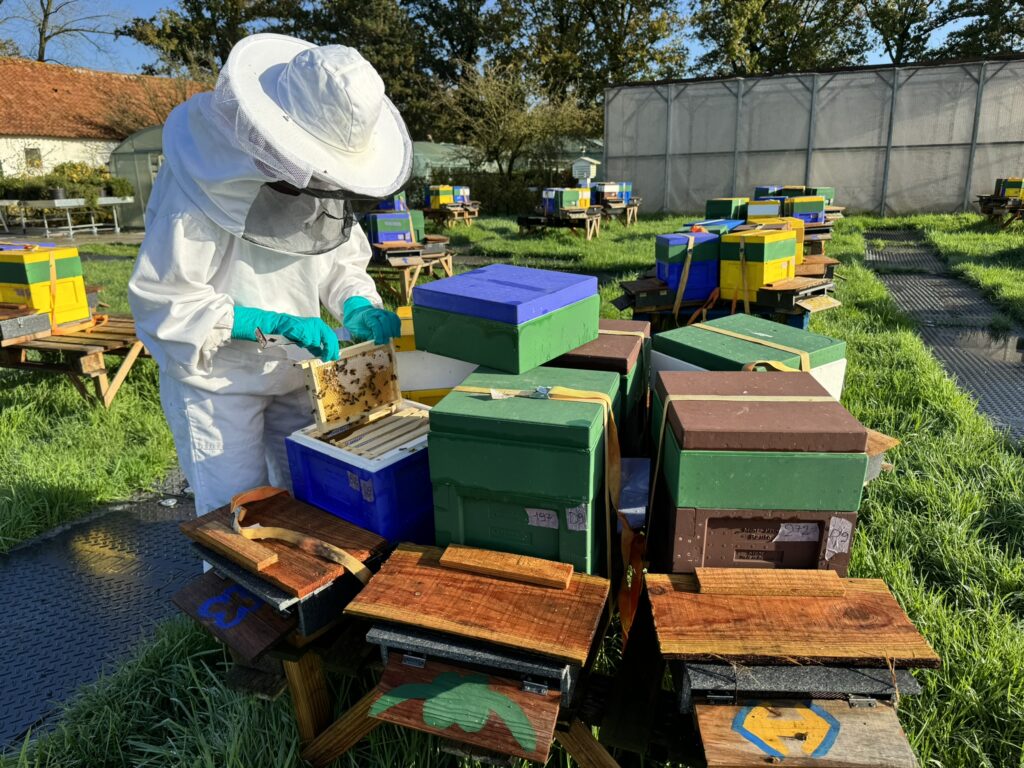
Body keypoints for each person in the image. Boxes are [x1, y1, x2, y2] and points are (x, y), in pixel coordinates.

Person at [129, 34, 405, 517]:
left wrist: (357, 302)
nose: (320, 185)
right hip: (218, 382)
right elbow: (164, 303)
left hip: (297, 371)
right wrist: (270, 323)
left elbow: (338, 260)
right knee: (238, 515)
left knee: (310, 500)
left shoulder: (318, 181)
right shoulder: (198, 181)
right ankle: (235, 595)